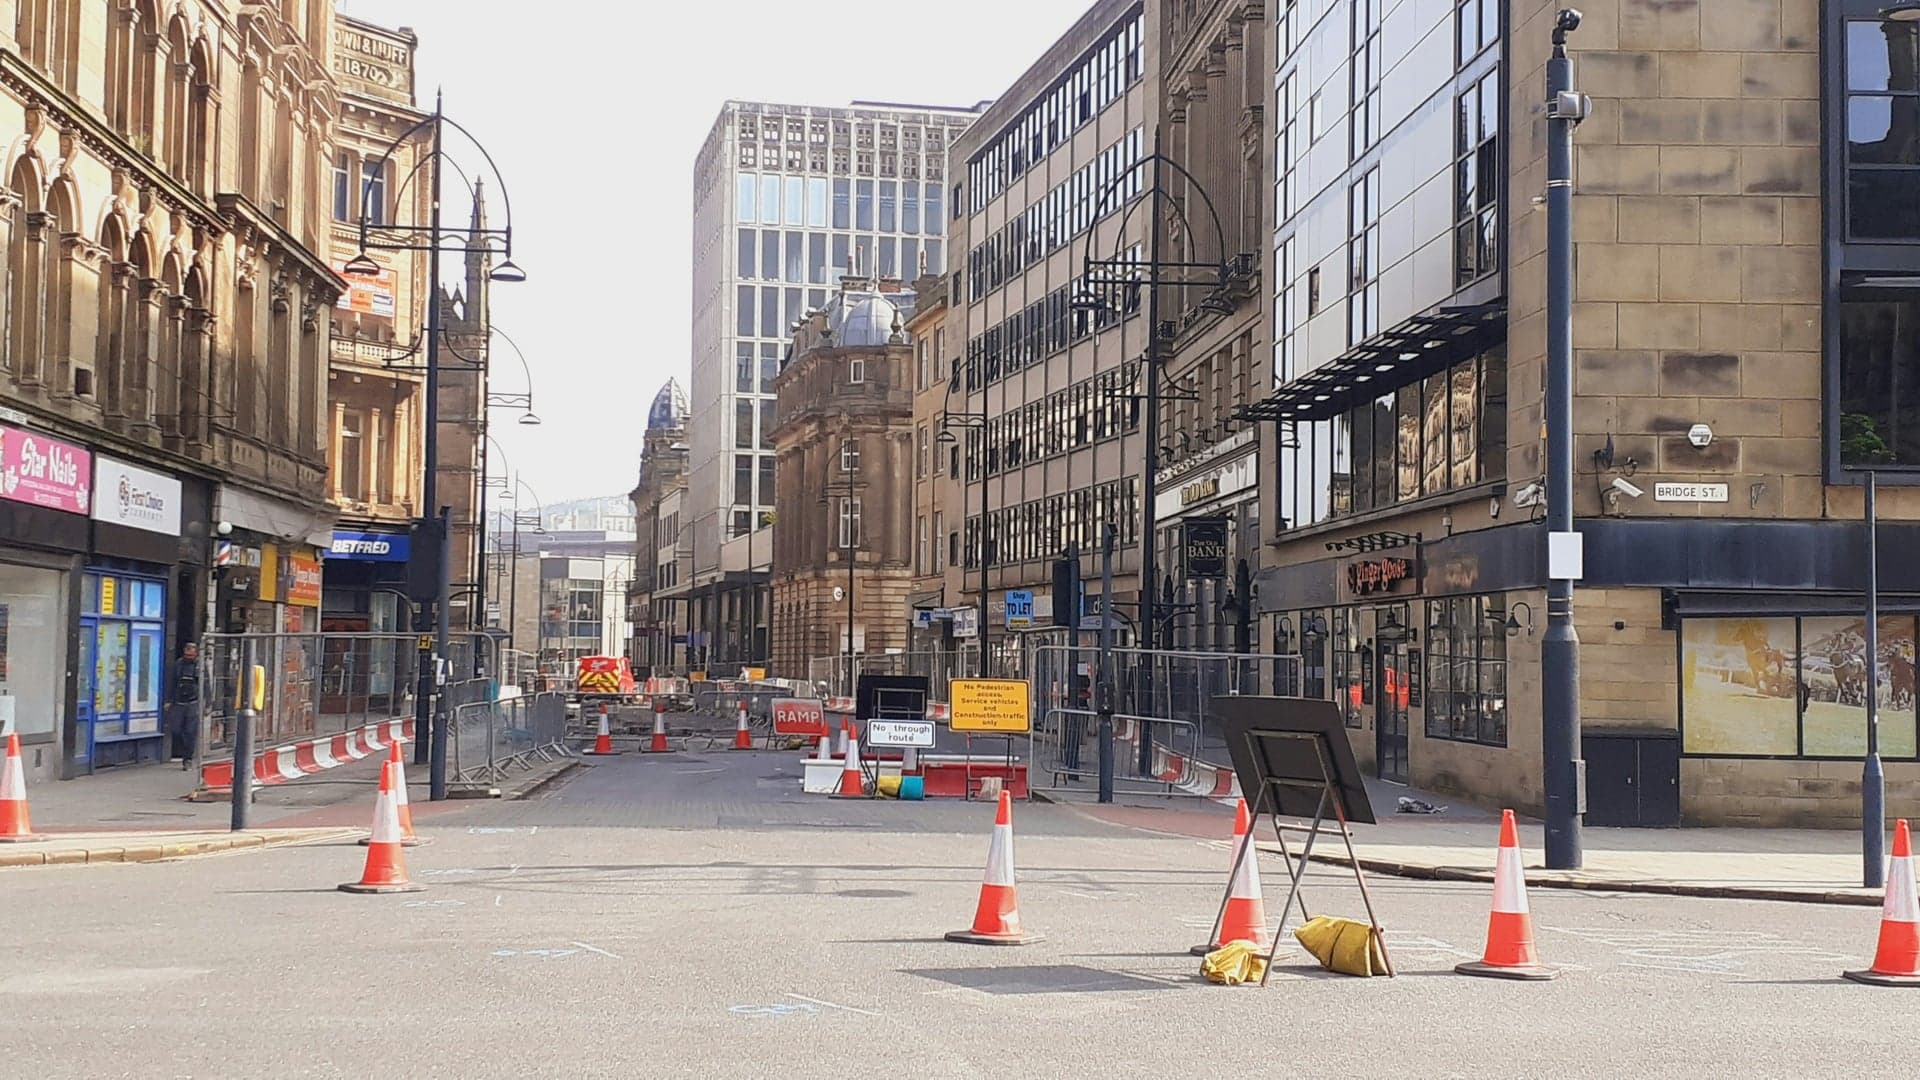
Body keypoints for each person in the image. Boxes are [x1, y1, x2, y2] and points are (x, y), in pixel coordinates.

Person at [169, 642, 201, 770]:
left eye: (191, 654)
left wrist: (207, 702)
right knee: (176, 730)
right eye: (187, 654)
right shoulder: (178, 664)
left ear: (196, 654)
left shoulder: (199, 666)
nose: (189, 656)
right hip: (179, 702)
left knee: (190, 732)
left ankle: (187, 758)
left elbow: (206, 683)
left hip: (193, 702)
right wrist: (169, 700)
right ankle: (183, 751)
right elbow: (172, 682)